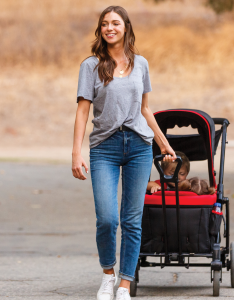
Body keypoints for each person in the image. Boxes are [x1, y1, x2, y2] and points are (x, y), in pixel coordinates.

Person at [71, 6, 176, 300]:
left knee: (132, 219)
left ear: (126, 27)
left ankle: (125, 284)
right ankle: (108, 274)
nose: (109, 28)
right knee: (107, 218)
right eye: (105, 24)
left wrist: (164, 143)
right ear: (100, 30)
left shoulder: (140, 64)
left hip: (139, 146)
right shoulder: (90, 66)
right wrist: (76, 152)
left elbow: (144, 109)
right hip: (104, 147)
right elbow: (82, 111)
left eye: (115, 23)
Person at [147, 151, 215, 195]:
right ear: (162, 172)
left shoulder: (187, 184)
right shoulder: (163, 184)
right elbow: (147, 185)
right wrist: (154, 186)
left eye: (182, 174)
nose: (177, 177)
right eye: (172, 174)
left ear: (187, 173)